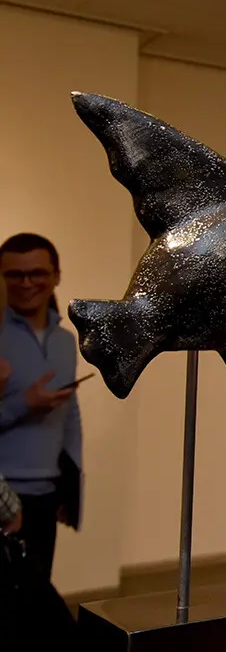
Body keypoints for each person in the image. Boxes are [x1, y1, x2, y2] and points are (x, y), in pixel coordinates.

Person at [0, 233, 82, 583]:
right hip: (4, 497)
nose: (27, 283)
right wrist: (23, 404)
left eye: (37, 273)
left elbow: (70, 415)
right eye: (14, 275)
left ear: (56, 275)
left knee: (34, 606)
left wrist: (71, 486)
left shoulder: (66, 339)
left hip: (47, 493)